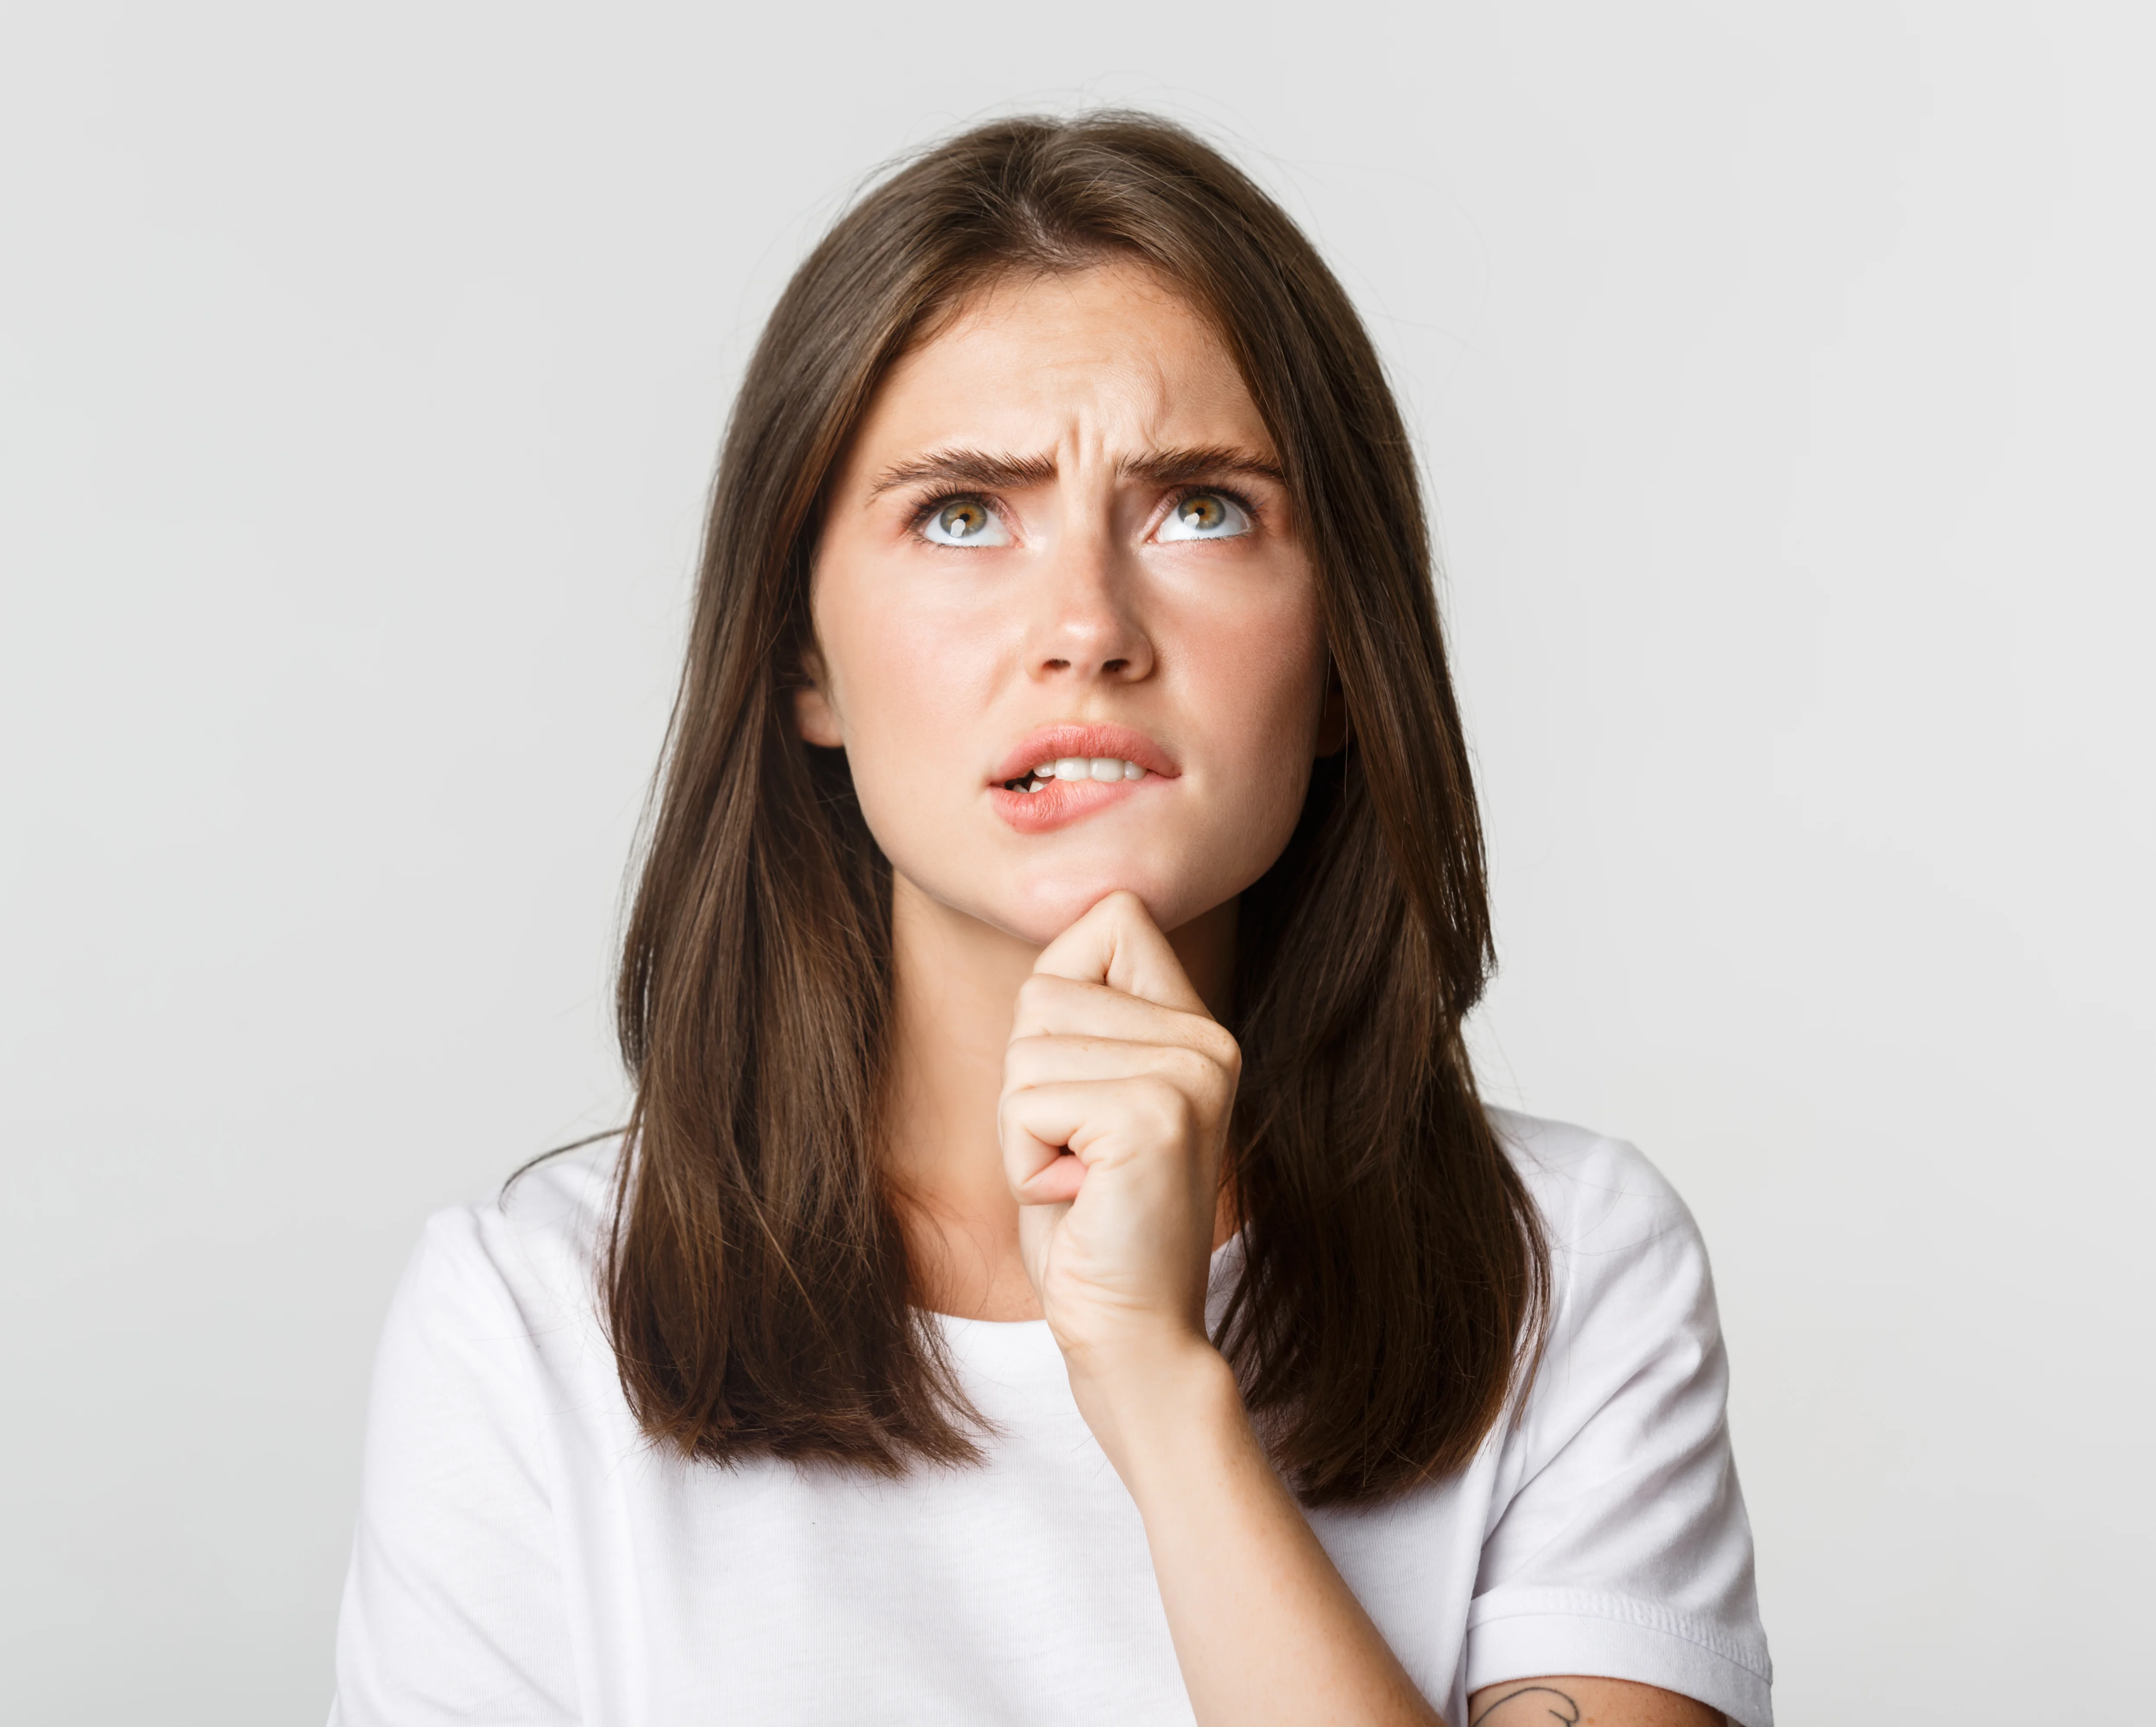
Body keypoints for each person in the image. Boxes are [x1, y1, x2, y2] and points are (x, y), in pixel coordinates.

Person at [328, 112, 1771, 1727]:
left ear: (1348, 653)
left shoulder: (1565, 1270)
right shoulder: (529, 1323)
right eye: (962, 514)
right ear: (802, 660)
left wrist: (1157, 1389)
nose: (1087, 627)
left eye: (1203, 510)